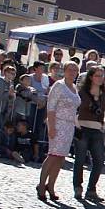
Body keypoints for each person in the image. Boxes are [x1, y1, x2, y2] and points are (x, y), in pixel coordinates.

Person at [37, 61, 80, 201]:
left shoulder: (74, 87)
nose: (72, 72)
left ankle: (52, 185)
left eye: (75, 70)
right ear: (65, 70)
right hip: (58, 123)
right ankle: (42, 184)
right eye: (70, 70)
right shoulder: (59, 86)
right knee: (53, 155)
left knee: (61, 158)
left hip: (69, 126)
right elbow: (51, 107)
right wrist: (51, 126)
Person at [73, 66, 105, 202]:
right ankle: (78, 186)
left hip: (97, 130)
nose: (100, 78)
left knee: (99, 160)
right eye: (97, 75)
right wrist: (76, 123)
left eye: (102, 76)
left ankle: (91, 189)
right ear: (91, 77)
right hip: (82, 128)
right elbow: (73, 108)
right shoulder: (82, 92)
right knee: (79, 159)